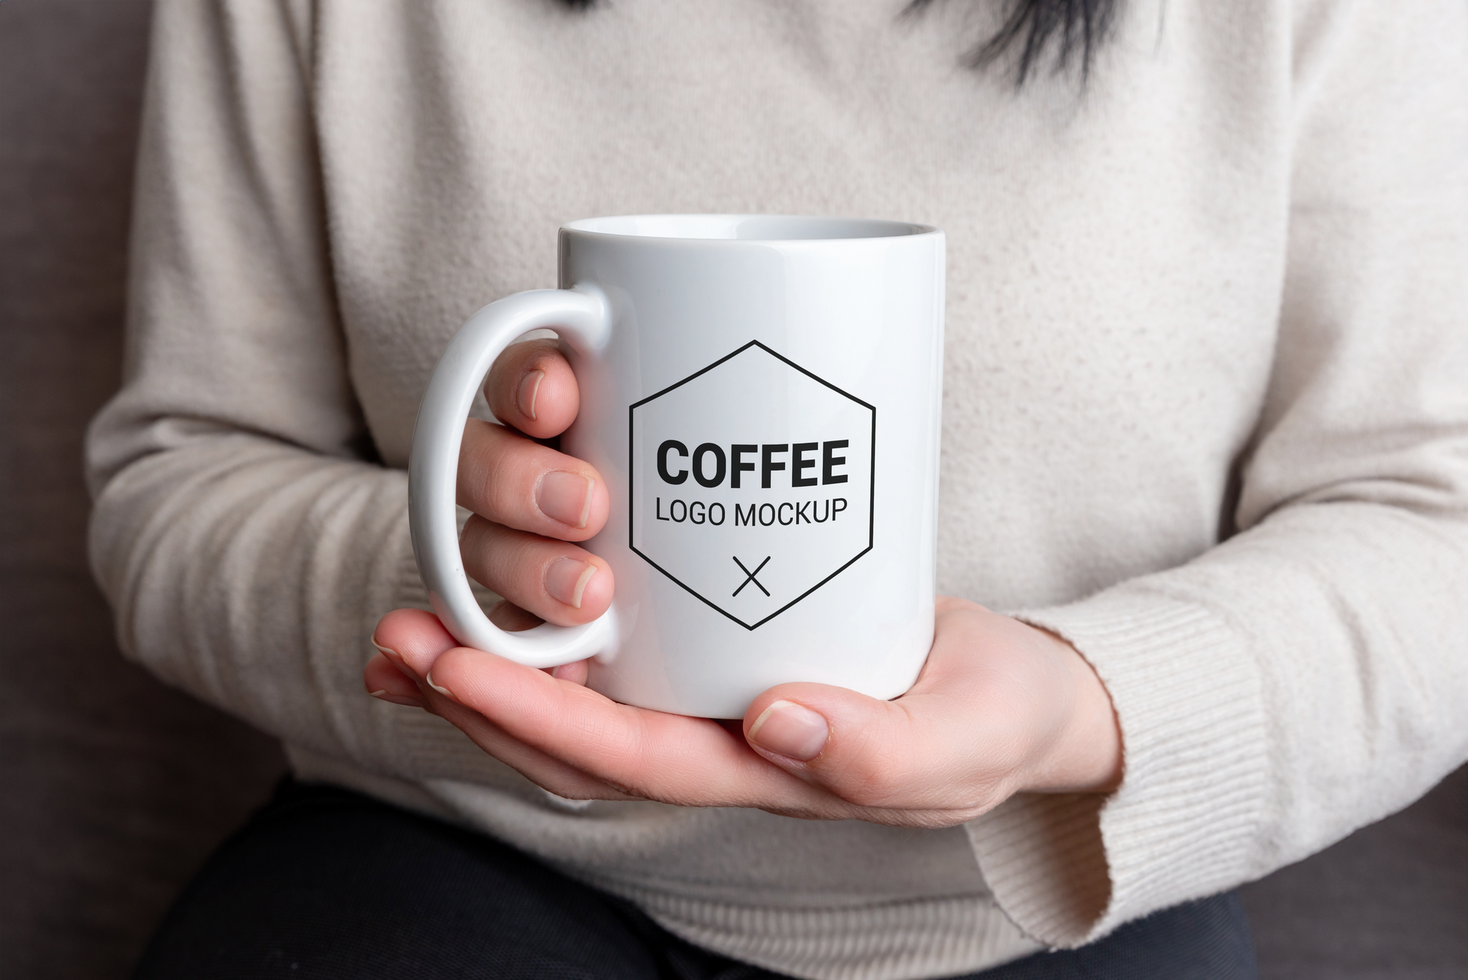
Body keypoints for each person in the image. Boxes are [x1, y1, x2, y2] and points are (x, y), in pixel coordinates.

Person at [87, 0, 1468, 977]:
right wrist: (484, 591)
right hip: (440, 856)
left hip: (1043, 890)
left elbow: (1432, 519)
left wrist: (1084, 704)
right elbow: (176, 475)